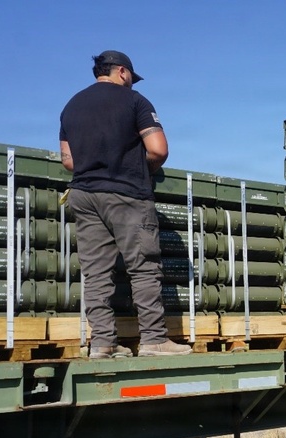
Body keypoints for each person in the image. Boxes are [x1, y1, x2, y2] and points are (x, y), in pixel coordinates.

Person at [60, 50, 191, 358]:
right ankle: (154, 340)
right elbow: (158, 150)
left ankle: (103, 344)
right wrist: (132, 164)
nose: (132, 82)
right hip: (126, 194)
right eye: (131, 76)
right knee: (144, 268)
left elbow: (68, 161)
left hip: (84, 194)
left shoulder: (71, 106)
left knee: (95, 273)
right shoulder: (135, 101)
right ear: (121, 71)